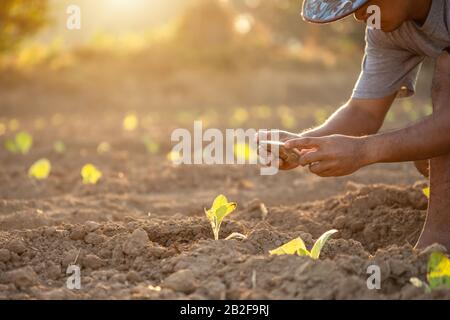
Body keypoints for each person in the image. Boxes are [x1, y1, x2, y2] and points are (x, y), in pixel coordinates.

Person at [259, 0, 450, 250]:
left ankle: (440, 242)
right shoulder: (384, 27)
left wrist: (364, 151)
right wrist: (302, 144)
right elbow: (363, 111)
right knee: (425, 153)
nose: (359, 15)